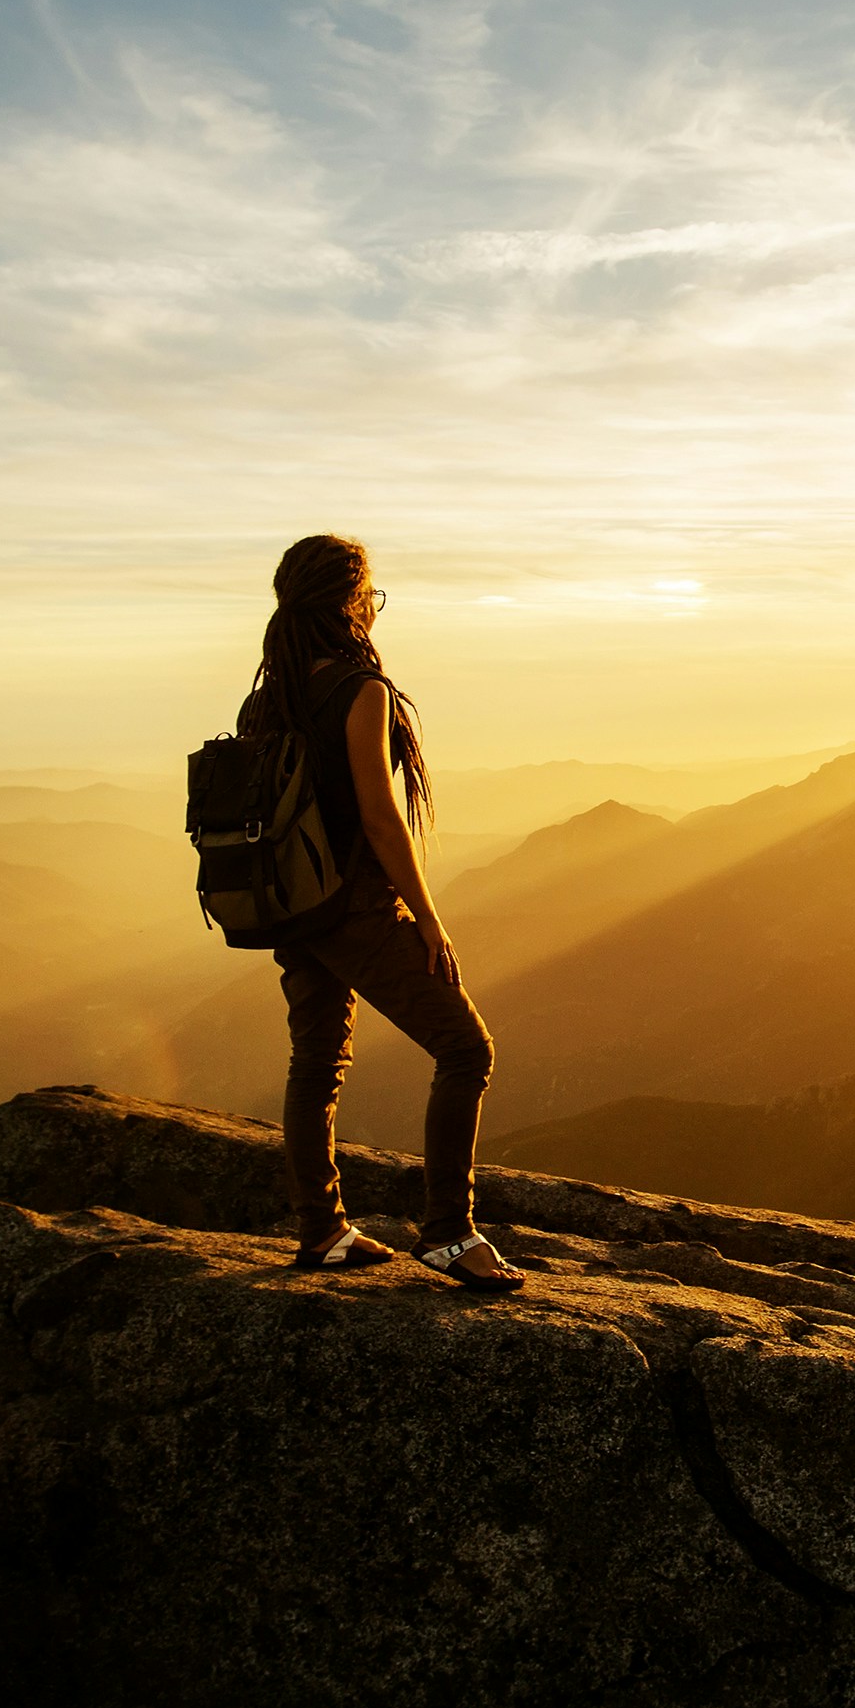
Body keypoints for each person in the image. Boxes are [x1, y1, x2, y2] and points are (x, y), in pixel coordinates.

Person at [239, 534, 523, 1291]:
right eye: (371, 595)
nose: (373, 608)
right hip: (355, 906)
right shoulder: (361, 691)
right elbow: (379, 815)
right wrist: (428, 917)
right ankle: (448, 1233)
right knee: (467, 1049)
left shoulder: (267, 698)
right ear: (347, 602)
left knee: (317, 1063)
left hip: (292, 908)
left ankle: (322, 1230)